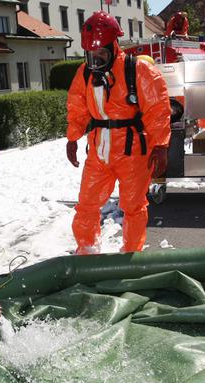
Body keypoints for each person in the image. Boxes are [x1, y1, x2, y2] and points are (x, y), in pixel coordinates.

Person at [66, 10, 171, 255]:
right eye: (91, 54)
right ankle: (87, 250)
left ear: (113, 47)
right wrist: (73, 137)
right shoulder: (84, 73)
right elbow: (76, 105)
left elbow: (158, 109)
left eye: (101, 53)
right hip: (99, 151)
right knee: (87, 205)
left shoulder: (138, 71)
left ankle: (131, 254)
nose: (96, 60)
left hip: (133, 150)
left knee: (134, 207)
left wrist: (161, 146)